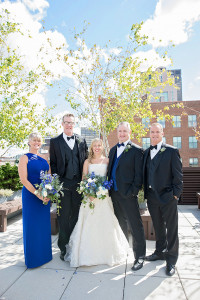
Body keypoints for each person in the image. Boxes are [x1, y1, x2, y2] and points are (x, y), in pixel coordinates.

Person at [64, 138, 130, 267]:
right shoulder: (87, 162)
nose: (97, 147)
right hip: (89, 197)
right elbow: (84, 179)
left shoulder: (107, 160)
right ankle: (86, 254)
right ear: (91, 148)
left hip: (103, 196)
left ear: (102, 147)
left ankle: (107, 252)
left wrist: (101, 190)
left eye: (99, 145)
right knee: (89, 223)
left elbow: (109, 178)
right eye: (95, 145)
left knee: (106, 222)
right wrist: (89, 193)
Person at [143, 123, 183, 276]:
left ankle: (171, 259)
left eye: (157, 132)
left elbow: (178, 175)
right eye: (152, 132)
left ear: (162, 133)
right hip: (152, 197)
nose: (154, 134)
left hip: (168, 197)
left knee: (172, 229)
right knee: (158, 226)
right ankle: (160, 252)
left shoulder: (171, 151)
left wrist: (175, 195)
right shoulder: (147, 152)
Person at [107, 122, 146, 271]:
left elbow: (139, 175)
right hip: (114, 194)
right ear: (117, 133)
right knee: (120, 224)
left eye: (124, 131)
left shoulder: (137, 150)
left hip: (129, 195)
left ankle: (140, 256)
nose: (122, 133)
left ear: (129, 132)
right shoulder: (112, 150)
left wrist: (133, 191)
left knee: (136, 226)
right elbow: (110, 171)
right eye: (120, 131)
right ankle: (124, 251)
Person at [50, 113, 88, 261]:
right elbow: (53, 163)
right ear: (62, 124)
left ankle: (74, 243)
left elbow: (84, 160)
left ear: (74, 124)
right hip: (63, 185)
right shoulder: (55, 142)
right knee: (63, 217)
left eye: (71, 123)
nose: (69, 125)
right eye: (66, 122)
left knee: (77, 215)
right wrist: (57, 183)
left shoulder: (81, 140)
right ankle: (63, 247)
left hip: (78, 184)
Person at [18, 133, 52, 268]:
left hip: (45, 197)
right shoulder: (24, 158)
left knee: (43, 226)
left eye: (39, 140)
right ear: (29, 142)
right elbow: (24, 180)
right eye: (34, 140)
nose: (36, 142)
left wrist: (49, 192)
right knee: (31, 227)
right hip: (31, 196)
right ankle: (33, 260)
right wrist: (38, 193)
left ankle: (45, 256)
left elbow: (49, 178)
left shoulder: (44, 159)